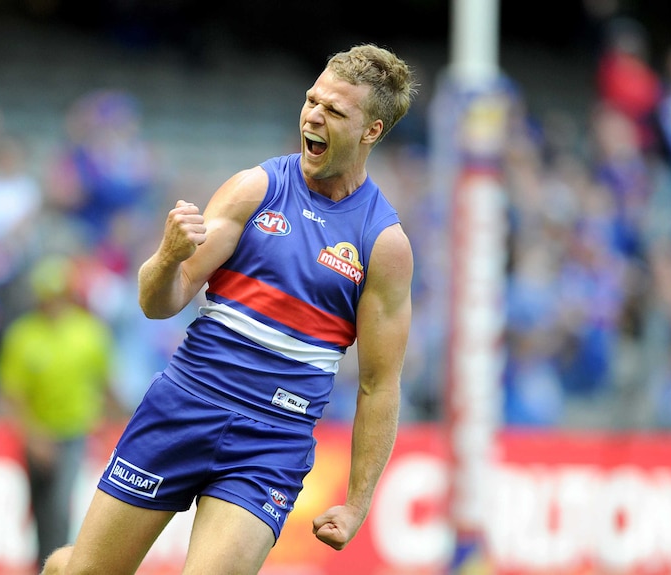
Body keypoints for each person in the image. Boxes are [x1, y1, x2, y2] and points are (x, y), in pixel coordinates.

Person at [42, 43, 417, 575]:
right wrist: (168, 257)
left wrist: (358, 502)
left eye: (335, 111)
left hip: (270, 441)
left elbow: (380, 386)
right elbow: (158, 302)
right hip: (184, 406)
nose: (313, 114)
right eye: (313, 99)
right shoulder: (255, 189)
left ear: (371, 132)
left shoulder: (383, 243)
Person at [0, 254, 124, 569]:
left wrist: (121, 418)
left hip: (74, 430)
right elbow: (12, 395)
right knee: (39, 506)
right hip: (38, 432)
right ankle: (42, 565)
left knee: (59, 505)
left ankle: (63, 567)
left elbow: (105, 384)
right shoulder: (23, 336)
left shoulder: (89, 333)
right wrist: (33, 436)